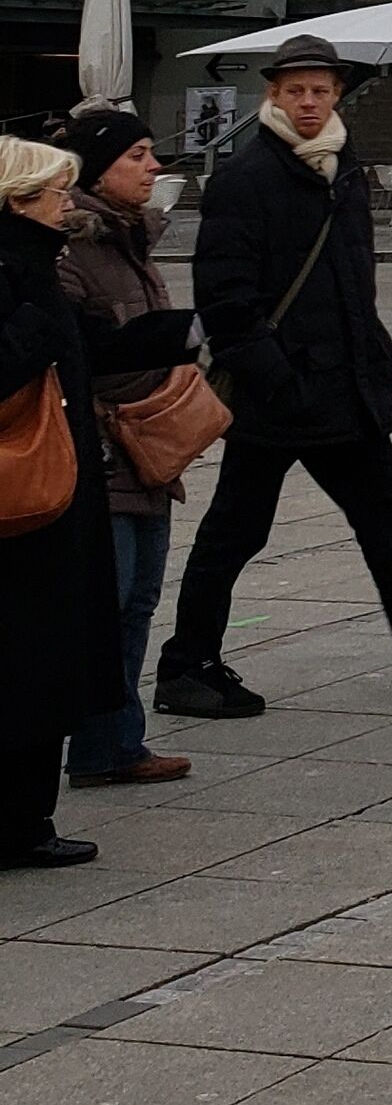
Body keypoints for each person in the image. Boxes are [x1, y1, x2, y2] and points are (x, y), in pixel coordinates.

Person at [156, 40, 392, 719]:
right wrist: (279, 380)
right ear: (273, 96)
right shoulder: (249, 178)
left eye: (319, 91)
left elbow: (356, 284)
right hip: (282, 395)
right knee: (238, 530)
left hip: (342, 386)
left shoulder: (343, 171)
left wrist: (377, 363)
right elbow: (226, 300)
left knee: (382, 509)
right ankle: (187, 665)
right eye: (295, 91)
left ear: (335, 95)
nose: (307, 103)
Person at [60, 107, 203, 791]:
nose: (153, 166)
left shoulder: (132, 241)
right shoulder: (72, 246)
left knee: (140, 598)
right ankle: (95, 741)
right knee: (106, 602)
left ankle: (116, 741)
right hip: (103, 447)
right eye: (138, 155)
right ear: (98, 168)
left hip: (147, 444)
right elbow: (67, 355)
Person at [0, 135, 124, 867]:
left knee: (43, 661)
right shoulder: (18, 274)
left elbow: (90, 353)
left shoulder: (41, 266)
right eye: (54, 194)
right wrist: (41, 323)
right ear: (18, 202)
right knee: (29, 664)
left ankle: (26, 819)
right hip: (25, 502)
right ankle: (20, 825)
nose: (68, 204)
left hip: (54, 495)